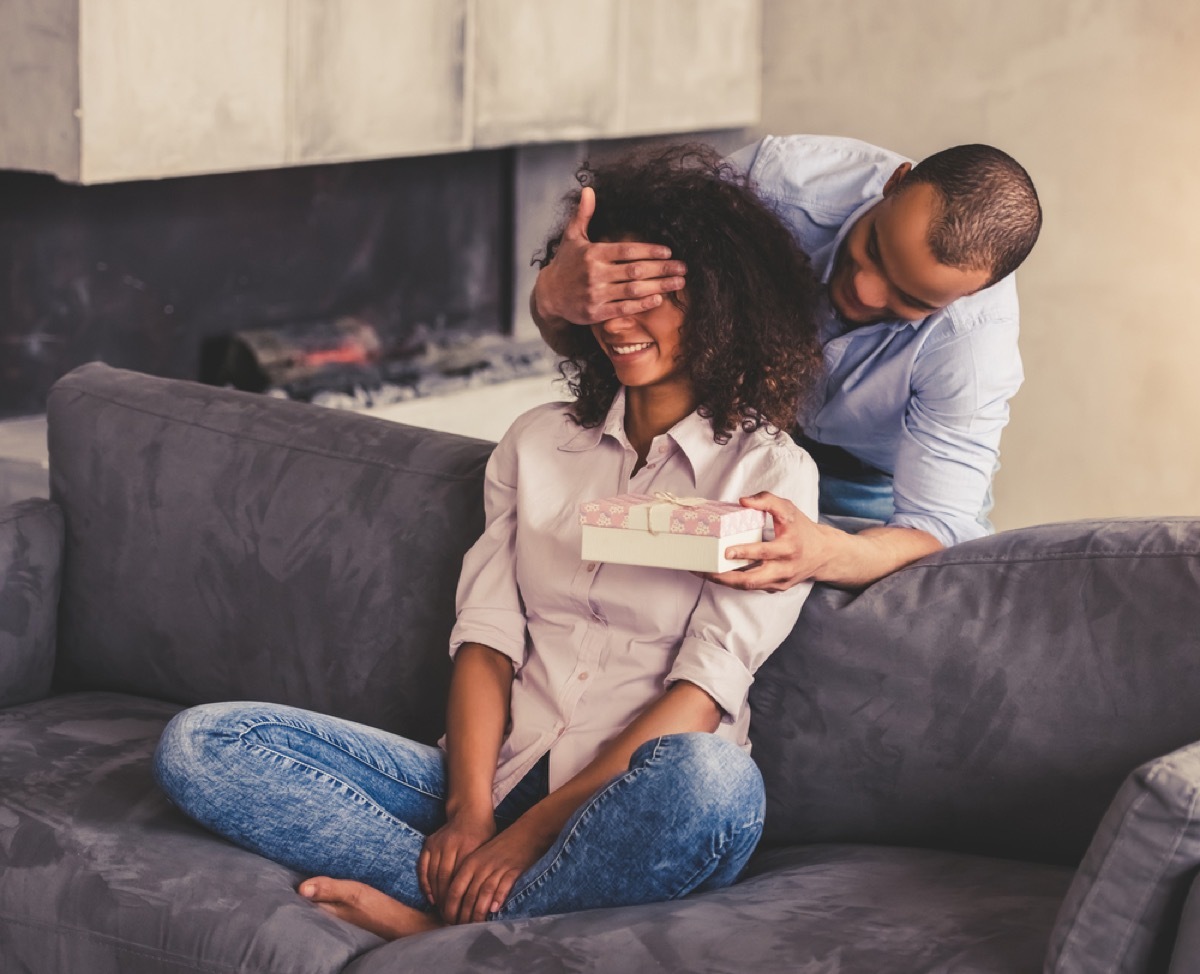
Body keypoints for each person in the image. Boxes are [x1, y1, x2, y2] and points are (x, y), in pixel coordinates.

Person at [153, 145, 823, 940]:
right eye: (605, 298)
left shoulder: (767, 472)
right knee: (205, 743)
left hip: (637, 805)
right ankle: (490, 927)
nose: (617, 322)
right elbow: (487, 640)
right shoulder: (537, 443)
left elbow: (702, 696)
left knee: (714, 781)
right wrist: (470, 814)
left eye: (649, 300)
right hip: (504, 771)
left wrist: (525, 838)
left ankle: (431, 934)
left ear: (718, 306)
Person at [531, 134, 1043, 590]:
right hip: (738, 437)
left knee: (925, 605)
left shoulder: (973, 347)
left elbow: (936, 528)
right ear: (895, 183)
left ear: (971, 294)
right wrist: (554, 296)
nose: (864, 292)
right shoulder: (776, 183)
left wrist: (826, 552)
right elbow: (629, 335)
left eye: (909, 299)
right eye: (874, 247)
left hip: (875, 485)